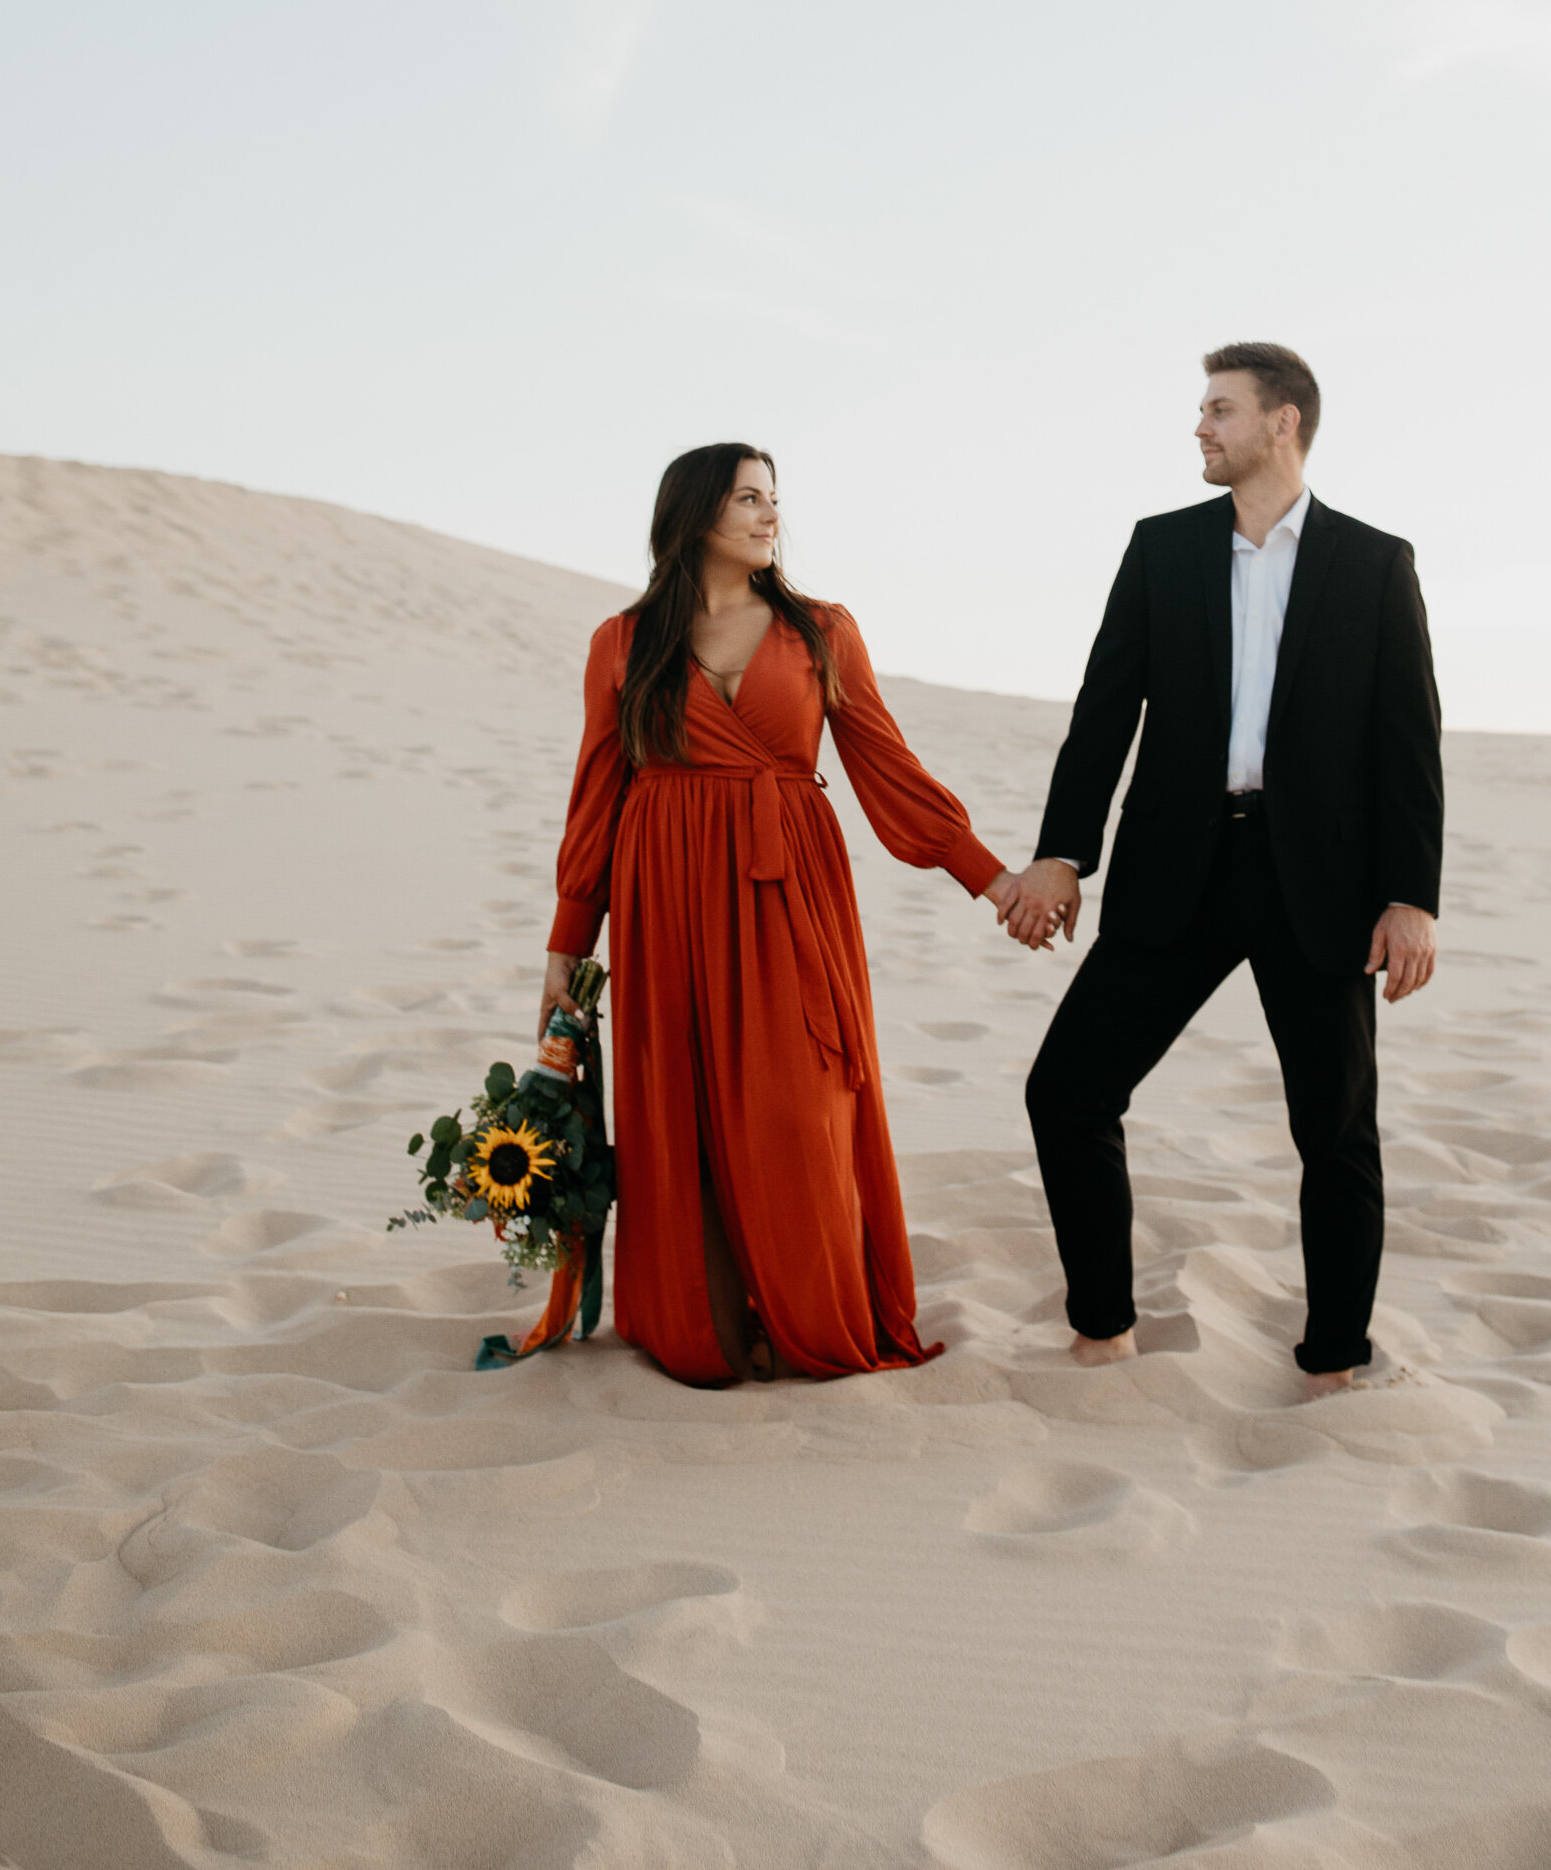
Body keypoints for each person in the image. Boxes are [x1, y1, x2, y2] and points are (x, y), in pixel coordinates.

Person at [996, 343, 1442, 1396]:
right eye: (1201, 410)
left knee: (1332, 1131)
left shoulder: (1375, 565)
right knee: (1066, 1090)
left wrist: (1411, 894)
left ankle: (1334, 1358)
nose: (1200, 428)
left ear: (1281, 422)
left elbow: (1406, 745)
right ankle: (1101, 1328)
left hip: (1318, 885)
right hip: (1174, 871)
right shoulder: (1162, 550)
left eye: (1219, 409)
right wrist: (1064, 853)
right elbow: (1103, 713)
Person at [541, 442, 1022, 1386]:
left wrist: (992, 877)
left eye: (773, 498)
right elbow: (597, 794)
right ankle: (709, 1326)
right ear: (694, 517)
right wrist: (568, 944)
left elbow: (889, 769)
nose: (771, 516)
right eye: (749, 499)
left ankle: (813, 1311)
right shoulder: (622, 641)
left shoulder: (822, 631)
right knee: (682, 1115)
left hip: (788, 891)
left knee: (801, 1110)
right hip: (664, 893)